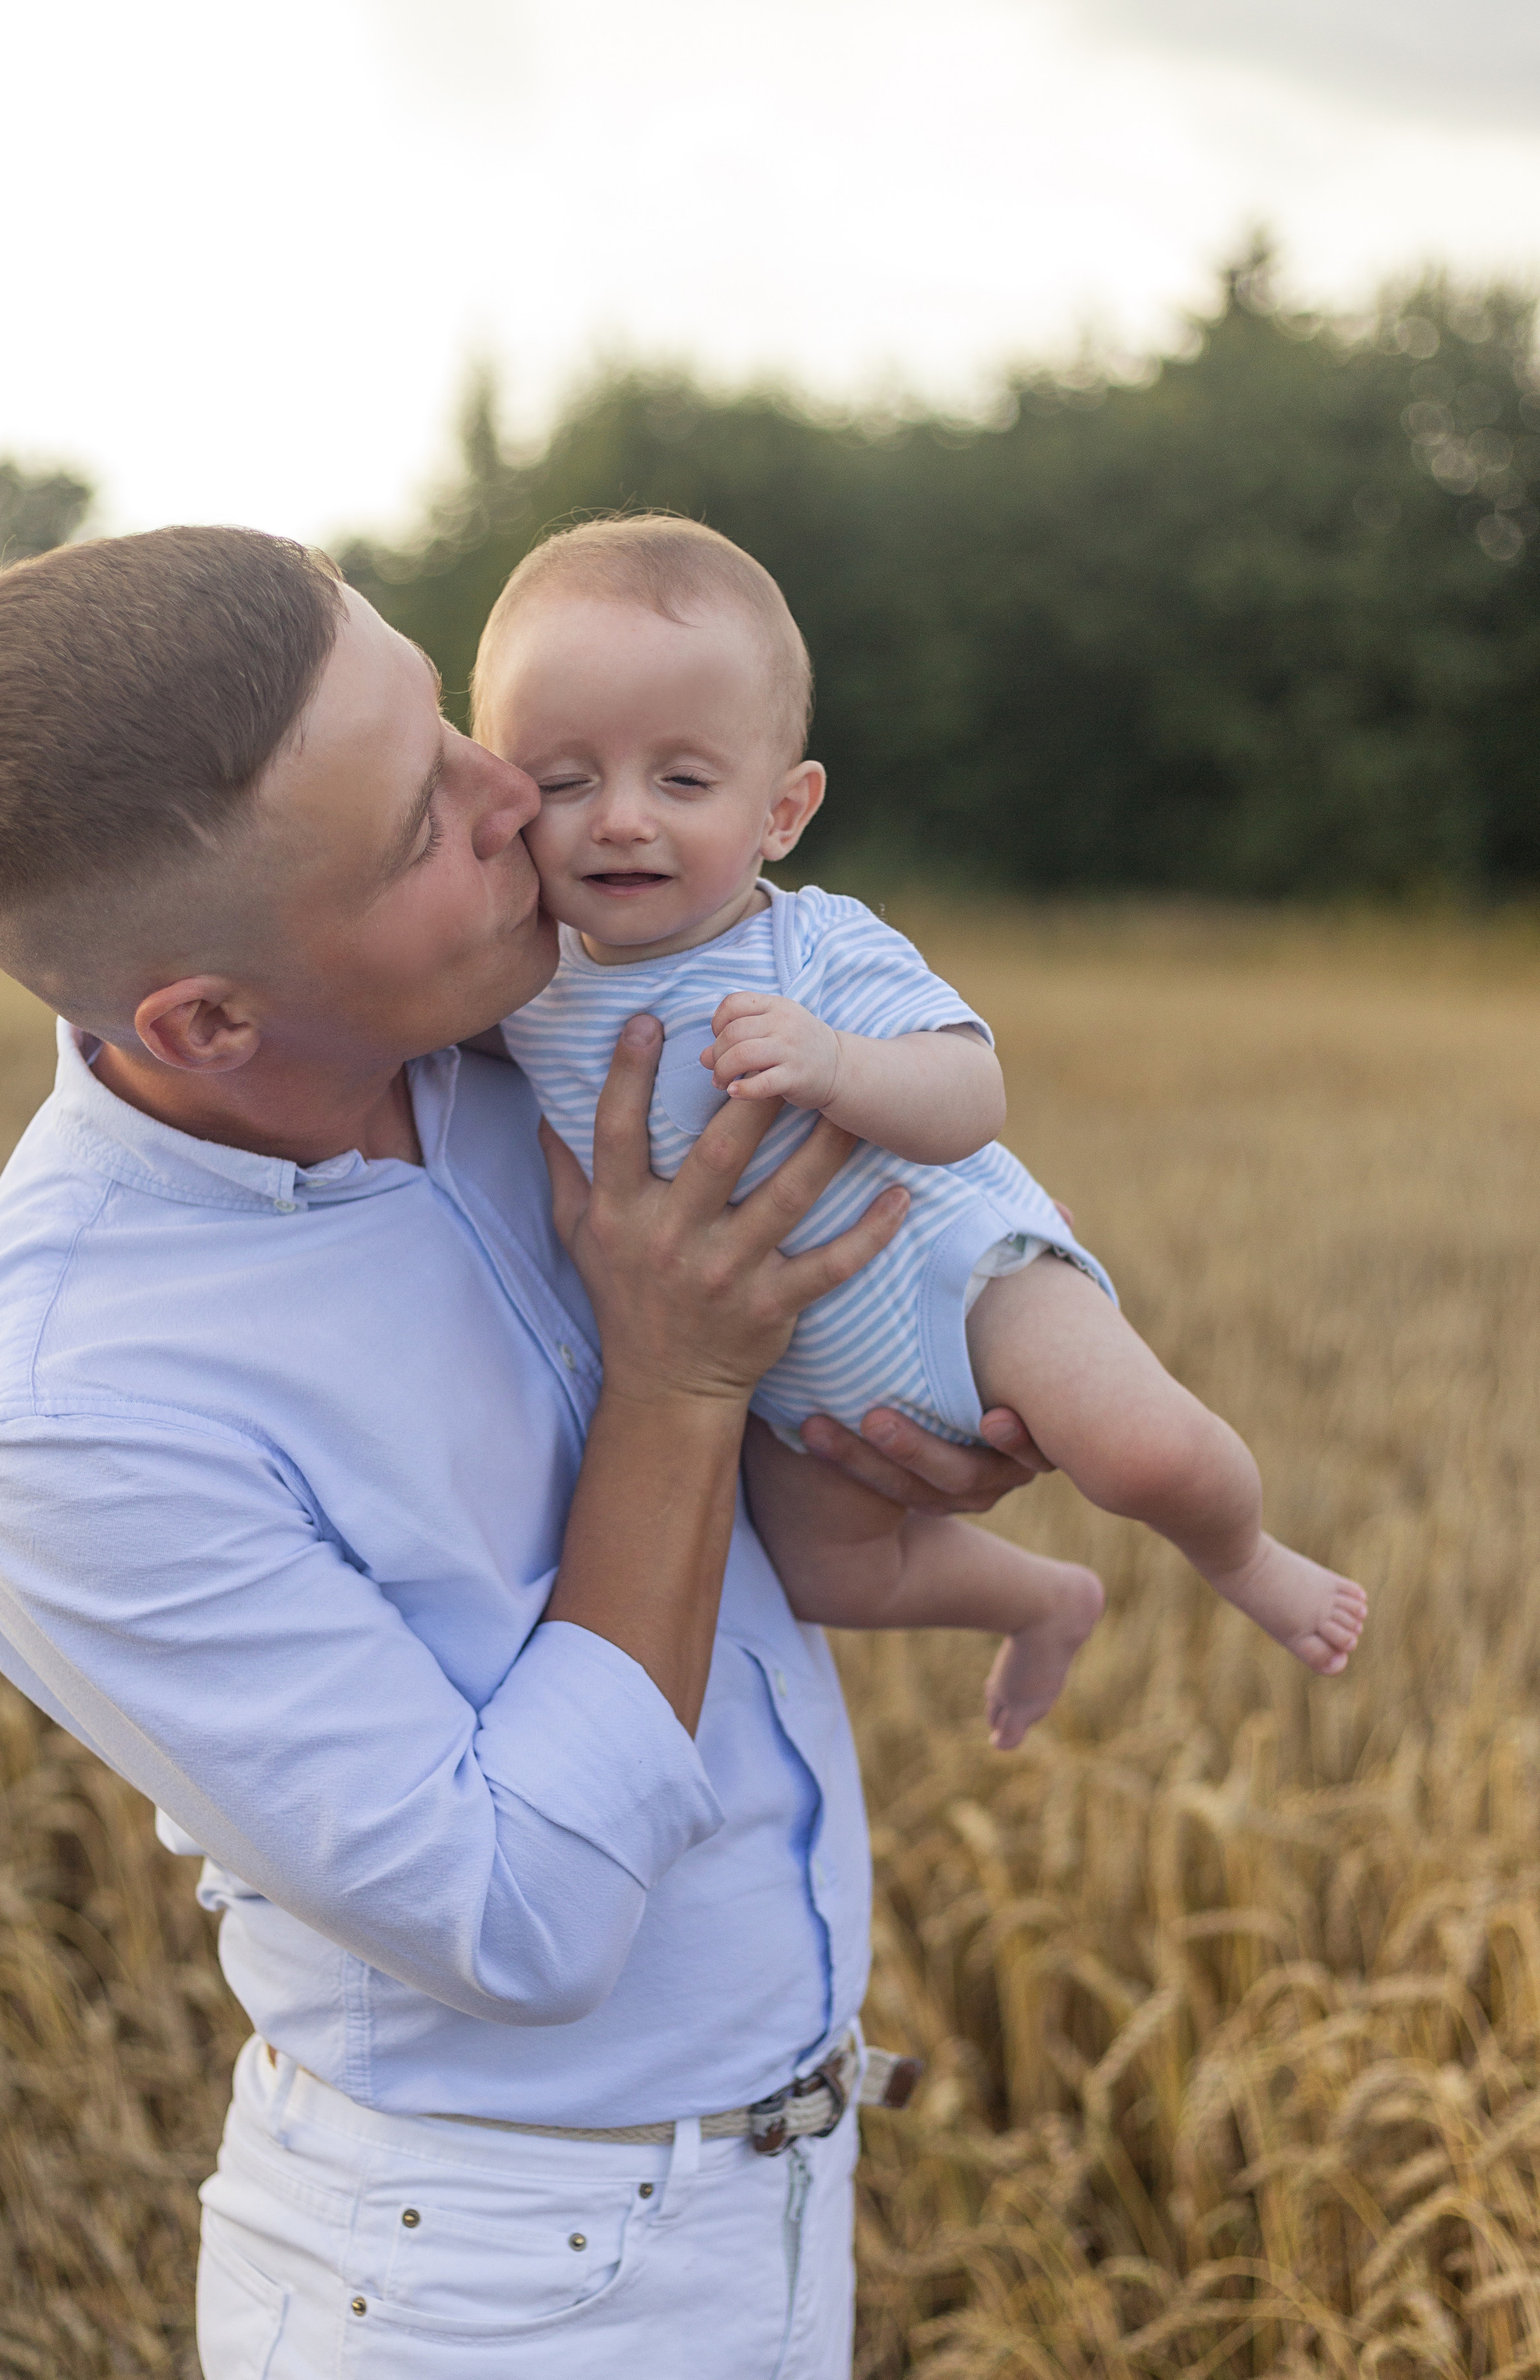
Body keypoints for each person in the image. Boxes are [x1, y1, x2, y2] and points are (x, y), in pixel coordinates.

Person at [0, 526, 1047, 2380]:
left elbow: (736, 1443)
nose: (523, 797)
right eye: (425, 815)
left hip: (793, 2193)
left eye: (441, 719)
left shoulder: (526, 1041)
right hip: (479, 2323)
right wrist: (684, 1390)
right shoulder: (78, 1415)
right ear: (207, 1017)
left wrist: (884, 1428)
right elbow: (521, 1910)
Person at [477, 516, 1368, 1750]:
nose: (620, 819)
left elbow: (970, 1095)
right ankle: (1042, 1601)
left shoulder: (813, 945)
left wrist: (836, 1062)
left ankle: (1246, 1555)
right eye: (566, 782)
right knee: (830, 1578)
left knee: (1148, 1458)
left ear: (783, 811)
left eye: (681, 781)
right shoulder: (527, 991)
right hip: (790, 1385)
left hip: (959, 1279)